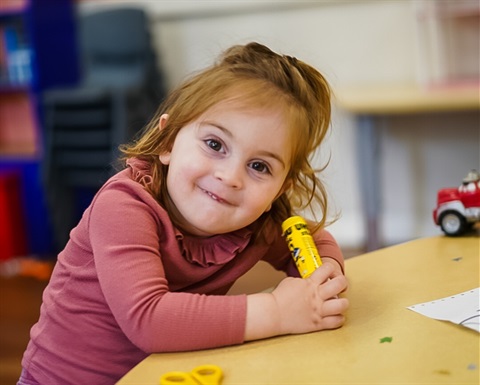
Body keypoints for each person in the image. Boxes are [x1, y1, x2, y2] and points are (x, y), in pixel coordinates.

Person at [18, 42, 349, 385]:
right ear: (168, 142)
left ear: (281, 188)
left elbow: (314, 239)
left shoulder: (258, 223)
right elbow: (149, 319)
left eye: (259, 166)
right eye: (215, 144)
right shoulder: (123, 206)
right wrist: (278, 312)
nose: (230, 177)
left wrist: (324, 279)